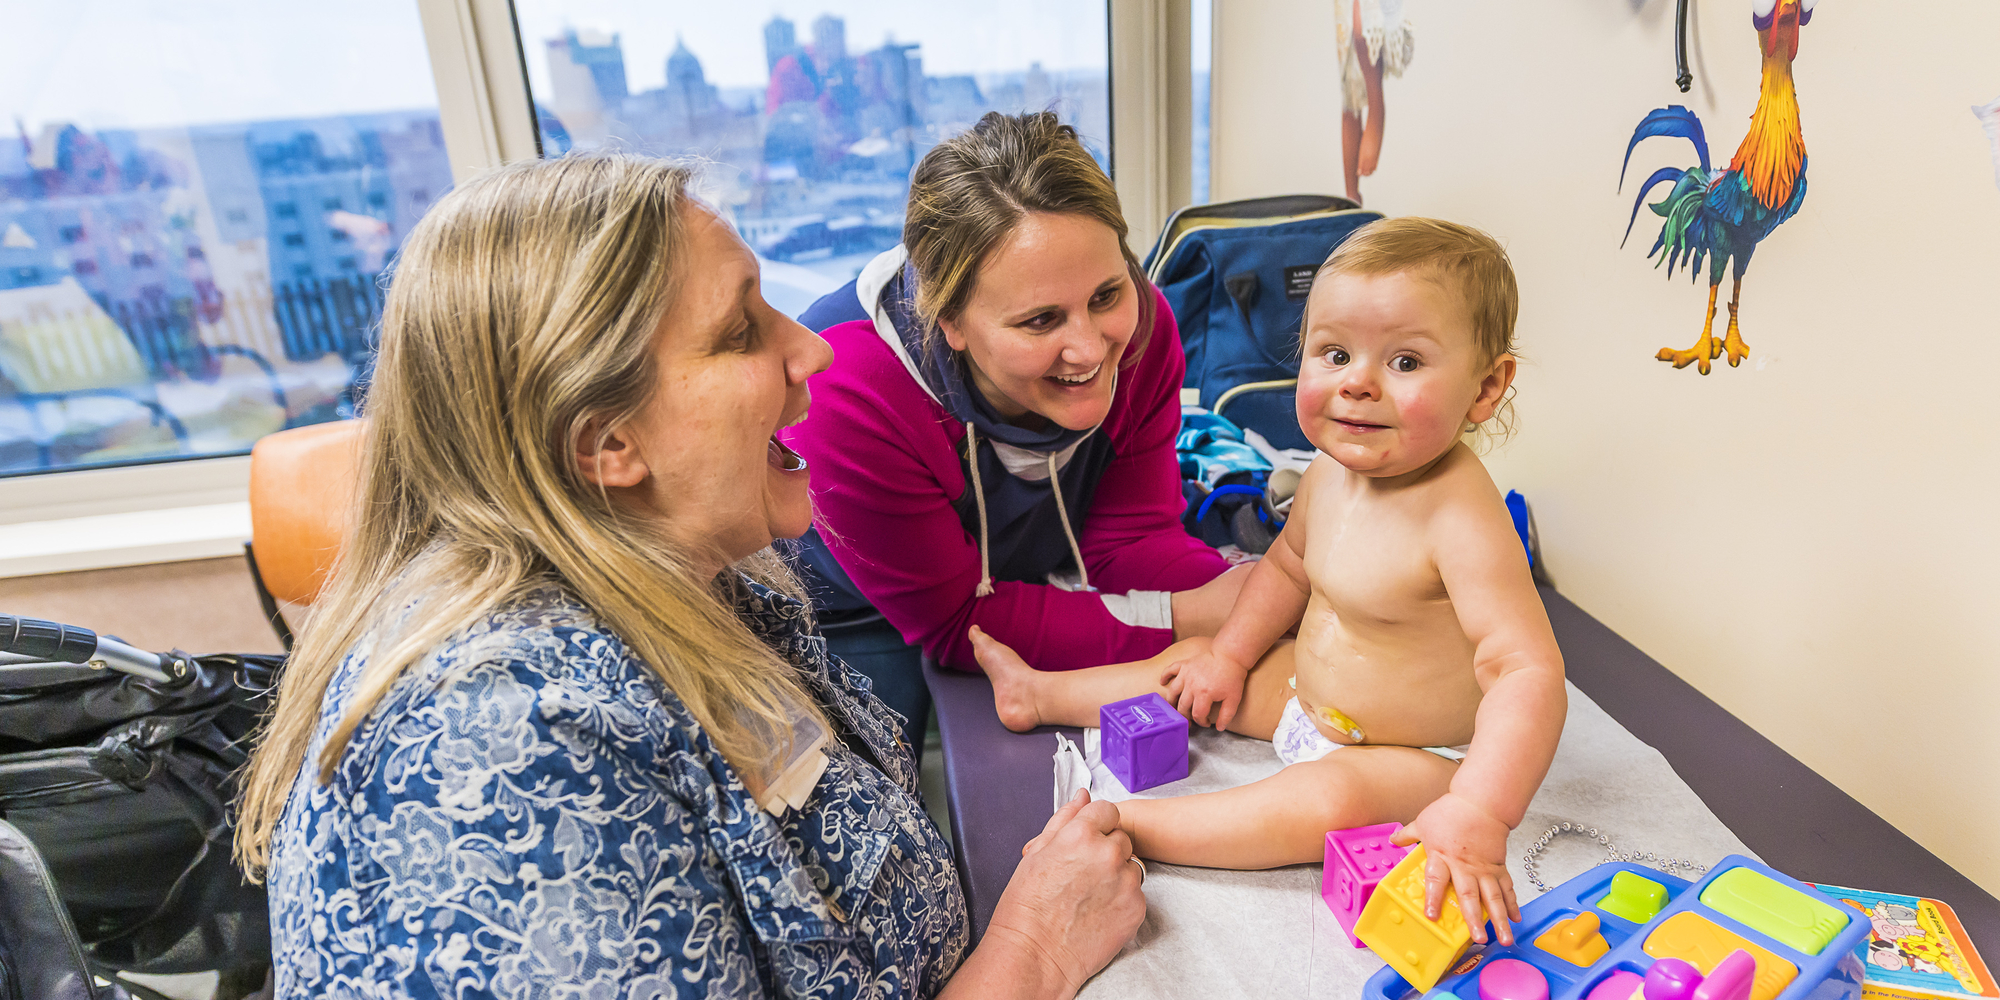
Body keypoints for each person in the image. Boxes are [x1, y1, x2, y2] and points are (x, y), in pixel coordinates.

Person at [232, 155, 1145, 999]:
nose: (813, 350)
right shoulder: (503, 754)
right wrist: (1032, 948)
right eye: (743, 329)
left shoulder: (685, 584)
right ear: (605, 442)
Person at [971, 218, 1567, 946]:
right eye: (1335, 353)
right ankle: (1039, 694)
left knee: (1325, 797)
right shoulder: (1329, 473)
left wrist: (1479, 808)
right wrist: (1229, 655)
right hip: (1309, 701)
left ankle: (1128, 823)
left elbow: (1524, 669)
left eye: (1406, 362)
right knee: (1192, 659)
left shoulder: (1460, 515)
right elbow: (1284, 569)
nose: (1358, 382)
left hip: (1416, 756)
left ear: (1486, 386)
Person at [785, 112, 1250, 752]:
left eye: (1107, 294)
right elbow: (956, 624)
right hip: (861, 603)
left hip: (1034, 562)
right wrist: (1194, 618)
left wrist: (1256, 597)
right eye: (1040, 321)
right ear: (948, 320)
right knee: (888, 768)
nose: (1090, 348)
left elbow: (1130, 537)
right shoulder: (847, 389)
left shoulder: (1142, 329)